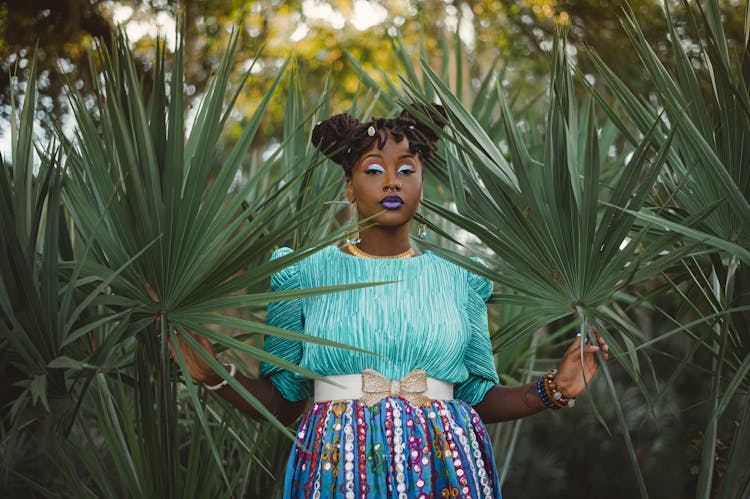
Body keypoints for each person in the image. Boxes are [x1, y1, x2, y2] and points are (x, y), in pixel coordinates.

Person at [174, 105, 609, 499]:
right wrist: (215, 375)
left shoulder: (460, 278)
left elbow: (476, 396)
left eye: (406, 168)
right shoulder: (301, 274)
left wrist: (553, 390)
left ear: (422, 185)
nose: (391, 181)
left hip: (445, 473)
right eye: (373, 170)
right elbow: (284, 400)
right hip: (336, 471)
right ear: (349, 187)